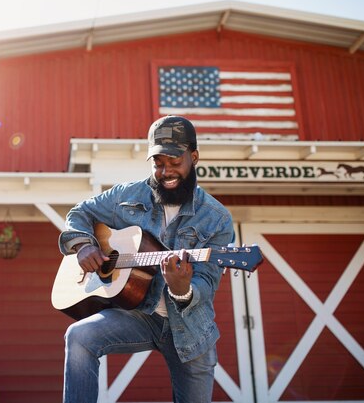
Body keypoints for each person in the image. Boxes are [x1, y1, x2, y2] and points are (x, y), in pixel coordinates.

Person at [57, 115, 235, 403]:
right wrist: (83, 245)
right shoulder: (127, 195)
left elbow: (208, 280)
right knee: (79, 337)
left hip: (190, 329)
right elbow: (80, 214)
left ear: (194, 157)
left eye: (175, 162)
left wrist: (183, 289)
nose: (166, 171)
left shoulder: (216, 218)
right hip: (137, 313)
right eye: (158, 163)